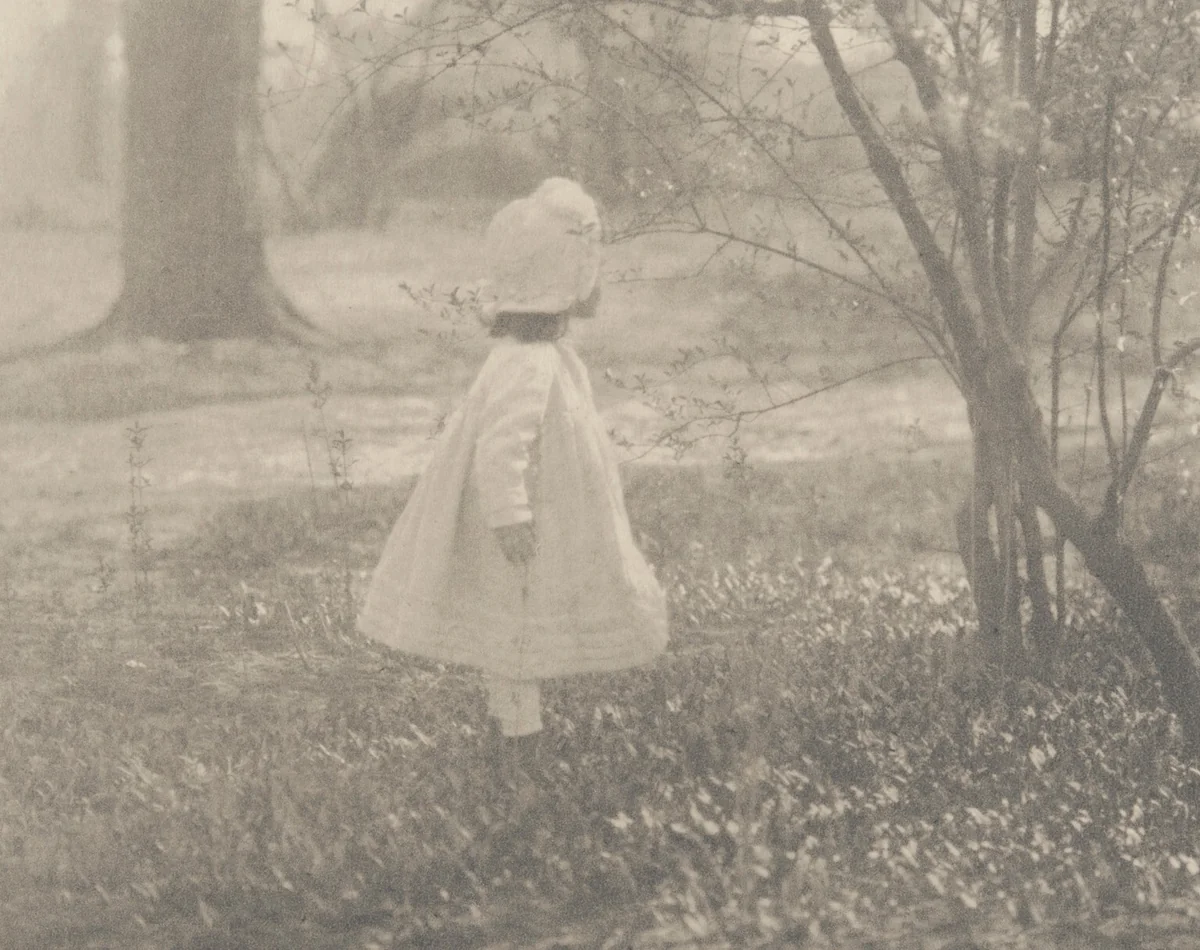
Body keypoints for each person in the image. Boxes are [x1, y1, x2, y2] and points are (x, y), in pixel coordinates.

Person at [358, 178, 669, 781]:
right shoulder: (528, 365)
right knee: (516, 622)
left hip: (549, 507)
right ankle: (519, 742)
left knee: (522, 618)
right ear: (566, 285)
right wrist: (509, 515)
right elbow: (500, 447)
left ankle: (517, 729)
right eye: (589, 271)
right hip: (525, 519)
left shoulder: (542, 359)